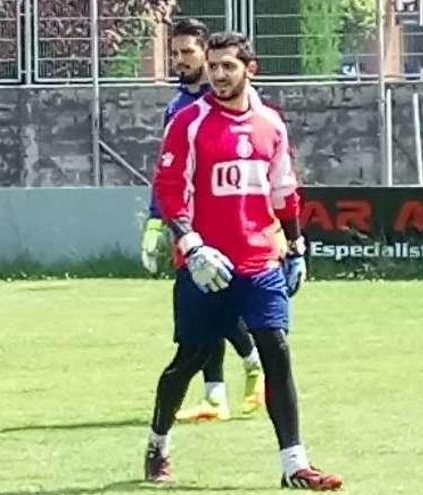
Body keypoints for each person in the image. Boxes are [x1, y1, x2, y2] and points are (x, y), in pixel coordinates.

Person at [144, 31, 342, 491]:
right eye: (212, 67)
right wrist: (190, 245)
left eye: (227, 67)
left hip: (258, 261)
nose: (217, 75)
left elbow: (283, 191)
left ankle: (295, 465)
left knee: (277, 351)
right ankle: (158, 441)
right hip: (206, 264)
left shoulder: (271, 124)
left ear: (250, 69)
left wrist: (295, 245)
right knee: (190, 359)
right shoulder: (189, 122)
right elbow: (170, 189)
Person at [140, 18, 264, 421]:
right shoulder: (177, 107)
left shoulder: (231, 102)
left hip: (226, 222)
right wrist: (157, 220)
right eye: (174, 53)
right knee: (204, 310)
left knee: (219, 306)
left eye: (188, 52)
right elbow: (167, 173)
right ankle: (216, 394)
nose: (180, 60)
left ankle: (251, 362)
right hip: (187, 226)